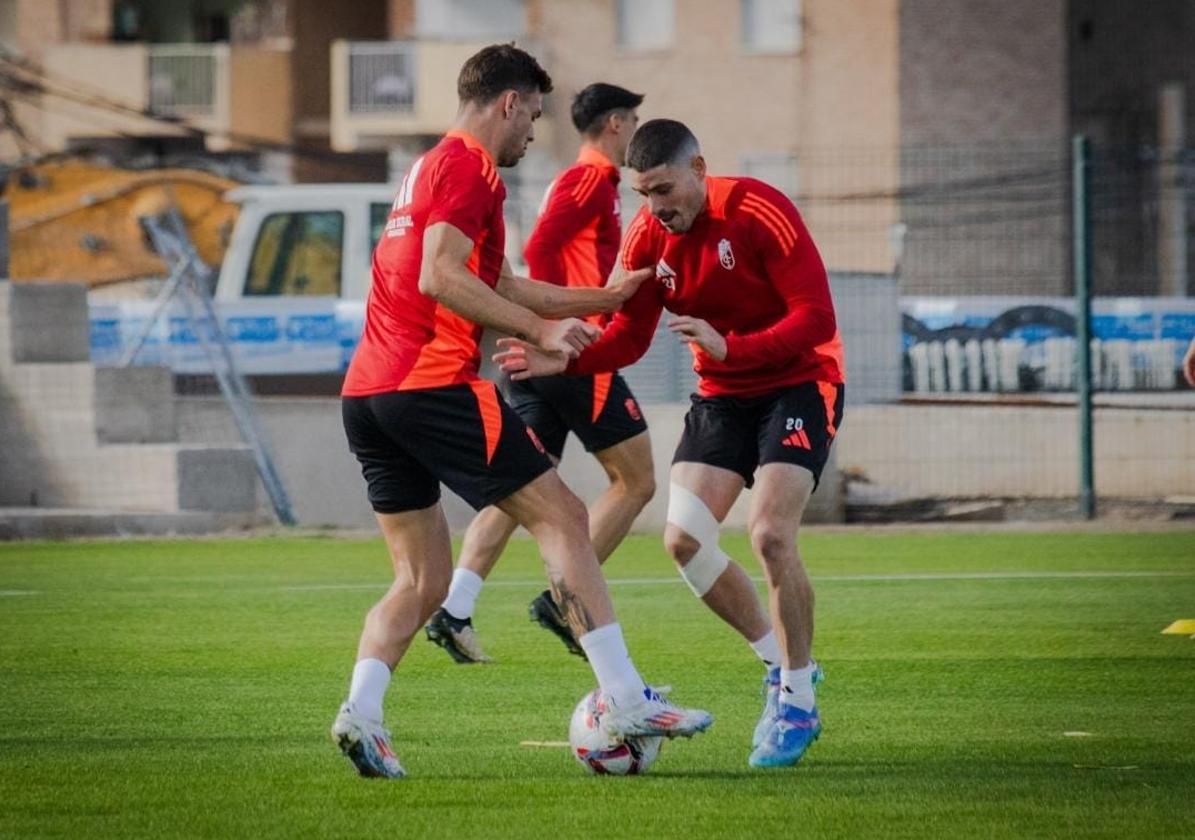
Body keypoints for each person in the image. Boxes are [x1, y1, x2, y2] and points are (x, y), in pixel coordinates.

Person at [332, 48, 712, 779]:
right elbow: (439, 275)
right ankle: (626, 697)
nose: (534, 133)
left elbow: (497, 278)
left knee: (421, 582)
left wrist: (598, 302)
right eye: (533, 116)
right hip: (431, 385)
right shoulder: (469, 168)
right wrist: (536, 333)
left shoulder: (425, 170)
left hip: (369, 396)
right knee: (565, 517)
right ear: (507, 104)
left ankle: (362, 715)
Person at [496, 118, 844, 769]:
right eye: (641, 193)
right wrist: (562, 365)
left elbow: (816, 319)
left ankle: (796, 702)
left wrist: (731, 347)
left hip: (799, 382)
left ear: (698, 170)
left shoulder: (759, 209)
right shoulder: (648, 236)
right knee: (682, 540)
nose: (655, 206)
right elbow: (627, 337)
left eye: (663, 189)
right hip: (722, 396)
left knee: (768, 533)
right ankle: (782, 664)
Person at [425, 83, 654, 664]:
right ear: (614, 125)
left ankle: (455, 608)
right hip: (569, 353)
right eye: (632, 123)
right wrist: (563, 320)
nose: (634, 137)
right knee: (637, 481)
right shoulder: (584, 181)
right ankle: (567, 599)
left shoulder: (590, 183)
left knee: (522, 483)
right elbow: (544, 247)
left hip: (547, 348)